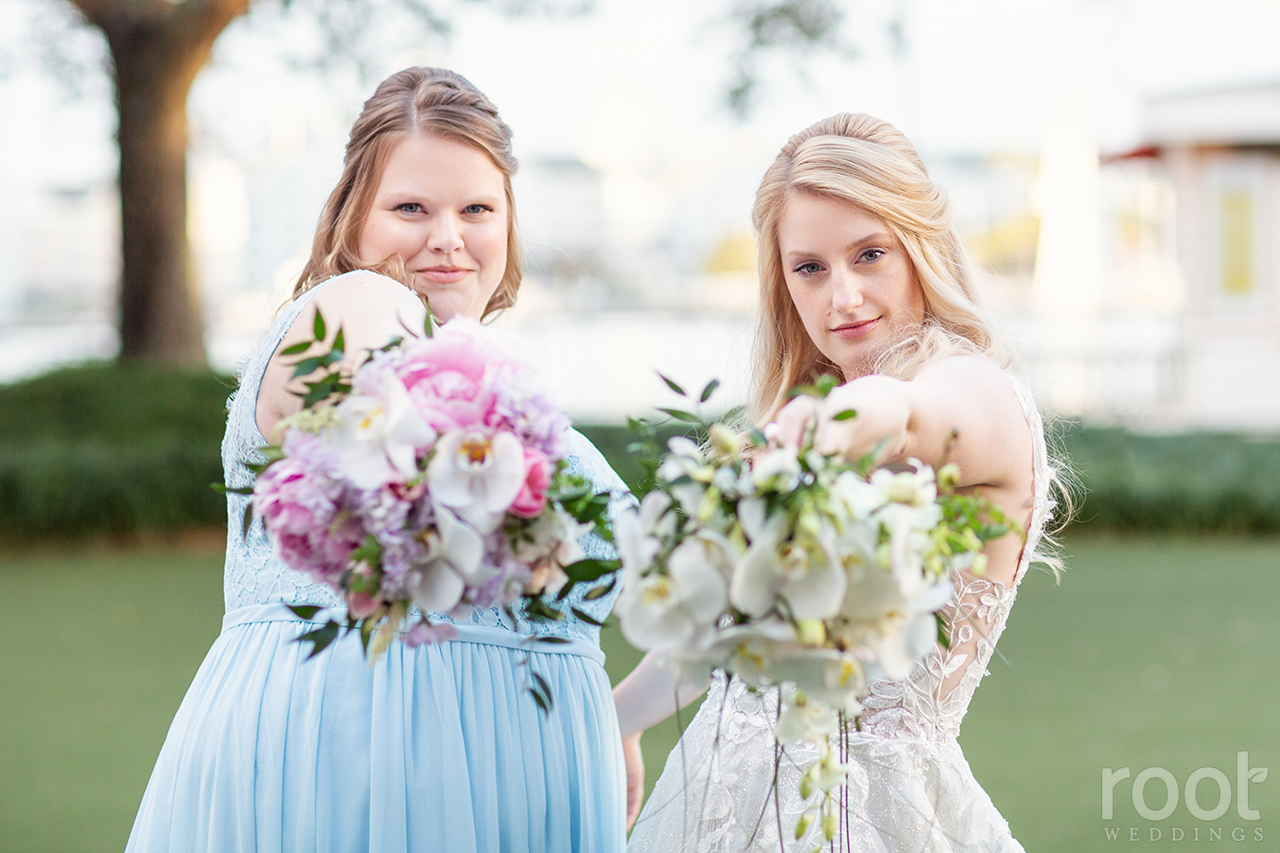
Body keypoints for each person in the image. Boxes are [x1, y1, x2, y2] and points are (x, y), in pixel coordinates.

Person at [126, 67, 630, 853]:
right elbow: (417, 457)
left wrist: (617, 722)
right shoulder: (356, 307)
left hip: (523, 777)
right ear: (352, 221)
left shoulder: (520, 387)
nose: (448, 236)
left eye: (477, 209)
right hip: (367, 757)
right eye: (411, 208)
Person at [616, 112, 1064, 852]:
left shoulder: (972, 389)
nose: (843, 296)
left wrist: (831, 427)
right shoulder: (802, 411)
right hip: (715, 808)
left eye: (870, 255)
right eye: (811, 268)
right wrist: (619, 720)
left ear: (922, 247)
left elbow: (908, 410)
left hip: (867, 816)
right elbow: (716, 624)